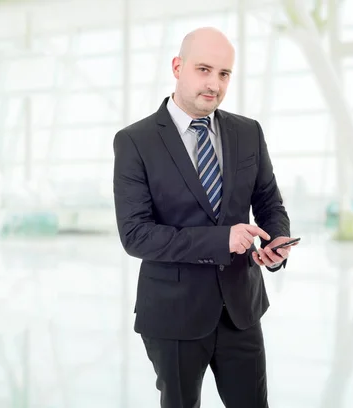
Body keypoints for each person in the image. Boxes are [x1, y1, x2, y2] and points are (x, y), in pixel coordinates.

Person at [112, 27, 296, 408]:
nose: (214, 83)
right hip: (173, 314)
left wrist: (276, 241)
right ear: (178, 67)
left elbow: (269, 203)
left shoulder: (248, 132)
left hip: (241, 310)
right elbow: (136, 235)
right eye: (204, 69)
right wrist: (221, 240)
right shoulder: (135, 141)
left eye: (224, 74)